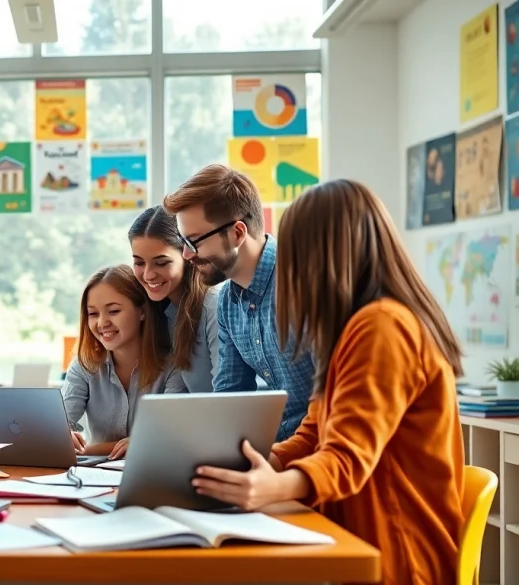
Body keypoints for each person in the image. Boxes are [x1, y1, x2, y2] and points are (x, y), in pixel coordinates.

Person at [191, 179, 465, 585]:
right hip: (352, 538)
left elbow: (346, 457)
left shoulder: (383, 327)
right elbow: (315, 429)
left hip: (395, 556)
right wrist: (271, 463)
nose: (290, 269)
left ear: (326, 256)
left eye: (296, 255)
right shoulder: (351, 329)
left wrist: (275, 486)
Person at [163, 164, 314, 441]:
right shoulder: (228, 303)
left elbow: (335, 405)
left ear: (237, 233)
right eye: (183, 242)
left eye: (194, 242)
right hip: (272, 458)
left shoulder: (304, 284)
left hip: (320, 461)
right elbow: (229, 401)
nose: (186, 254)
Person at [62, 264, 182, 460]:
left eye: (114, 311)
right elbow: (59, 427)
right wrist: (64, 435)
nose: (102, 323)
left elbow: (166, 438)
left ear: (142, 311)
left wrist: (89, 449)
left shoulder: (173, 368)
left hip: (152, 475)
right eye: (93, 313)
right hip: (92, 478)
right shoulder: (84, 366)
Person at [129, 205, 218, 392]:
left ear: (187, 256)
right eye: (138, 262)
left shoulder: (213, 307)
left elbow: (229, 395)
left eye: (161, 263)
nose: (148, 275)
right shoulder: (160, 311)